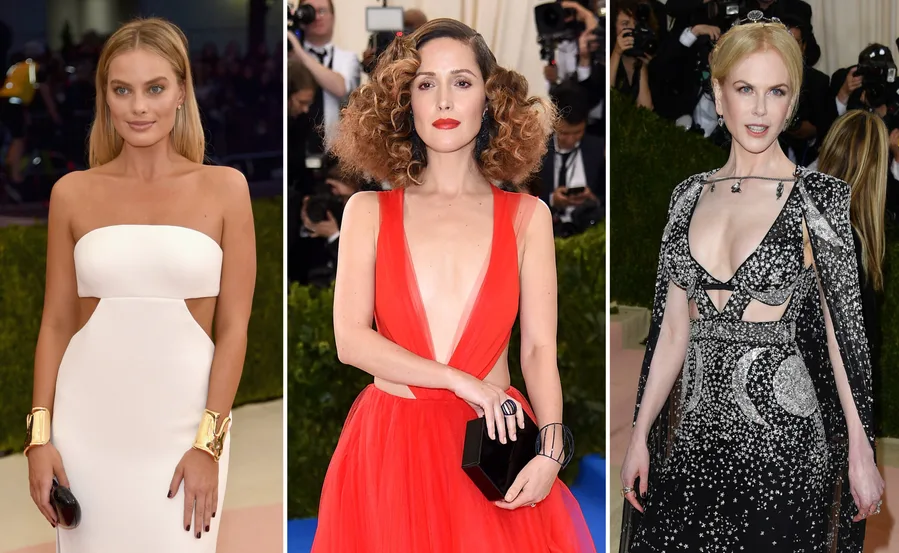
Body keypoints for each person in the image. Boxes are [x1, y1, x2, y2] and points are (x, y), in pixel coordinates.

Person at [311, 18, 596, 552]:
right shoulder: (367, 212)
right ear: (404, 103)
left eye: (462, 82)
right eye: (425, 83)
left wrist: (552, 448)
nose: (444, 99)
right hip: (390, 449)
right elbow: (351, 341)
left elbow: (538, 350)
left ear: (490, 100)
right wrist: (459, 382)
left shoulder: (527, 216)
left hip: (495, 445)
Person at [619, 15, 884, 553]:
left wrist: (861, 447)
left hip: (782, 451)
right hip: (691, 446)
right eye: (745, 89)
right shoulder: (687, 196)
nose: (760, 109)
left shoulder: (819, 198)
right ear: (719, 95)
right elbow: (672, 333)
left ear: (791, 104)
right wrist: (640, 434)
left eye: (776, 91)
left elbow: (843, 338)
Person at [25, 17, 256, 552]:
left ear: (181, 92)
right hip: (87, 428)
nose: (139, 107)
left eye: (155, 88)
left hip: (184, 432)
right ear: (105, 97)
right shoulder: (72, 193)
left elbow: (235, 327)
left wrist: (209, 442)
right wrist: (40, 437)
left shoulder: (226, 189)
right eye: (122, 90)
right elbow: (56, 322)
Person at [816, 110, 888, 438]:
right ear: (874, 171)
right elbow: (850, 348)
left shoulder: (813, 225)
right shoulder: (847, 244)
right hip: (835, 414)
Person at [286, 0, 360, 156]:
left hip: (336, 157)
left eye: (322, 11)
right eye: (310, 12)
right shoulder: (289, 58)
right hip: (294, 150)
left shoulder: (347, 58)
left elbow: (341, 88)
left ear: (333, 17)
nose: (317, 18)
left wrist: (301, 53)